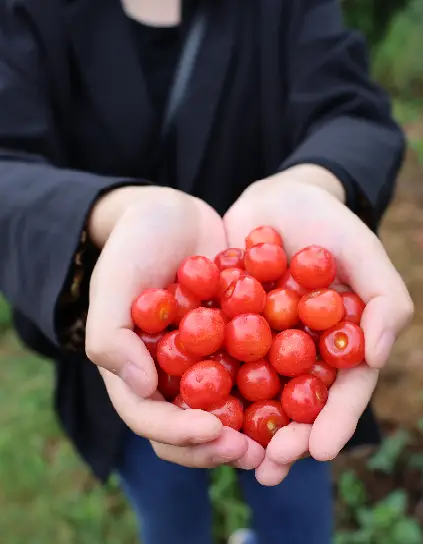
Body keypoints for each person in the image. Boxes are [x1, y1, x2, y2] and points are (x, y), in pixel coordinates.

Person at [0, 0, 413, 543]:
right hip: (133, 354)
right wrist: (110, 213)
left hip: (296, 381)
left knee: (297, 505)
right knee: (169, 516)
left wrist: (313, 184)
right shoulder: (28, 12)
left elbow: (353, 109)